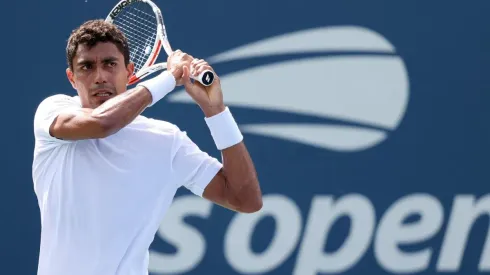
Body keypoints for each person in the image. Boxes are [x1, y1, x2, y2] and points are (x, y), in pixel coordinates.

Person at [32, 19, 262, 275]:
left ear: (130, 72)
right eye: (87, 67)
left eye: (110, 64)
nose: (100, 77)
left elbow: (245, 199)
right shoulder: (53, 112)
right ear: (71, 78)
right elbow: (103, 123)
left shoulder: (166, 140)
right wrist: (170, 77)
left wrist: (215, 111)